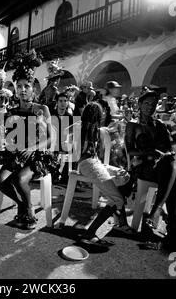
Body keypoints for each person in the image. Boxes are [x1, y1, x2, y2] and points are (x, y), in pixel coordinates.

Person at [0, 49, 59, 230]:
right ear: (15, 89)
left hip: (37, 155)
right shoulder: (12, 110)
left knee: (20, 179)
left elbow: (51, 139)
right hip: (18, 155)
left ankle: (28, 210)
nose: (22, 90)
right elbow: (5, 135)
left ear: (33, 89)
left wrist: (31, 148)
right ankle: (22, 204)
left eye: (26, 86)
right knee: (0, 180)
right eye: (19, 86)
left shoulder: (42, 108)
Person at [125, 90, 176, 240]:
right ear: (139, 104)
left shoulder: (160, 125)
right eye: (146, 103)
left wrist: (164, 154)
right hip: (144, 167)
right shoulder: (132, 125)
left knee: (171, 163)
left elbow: (169, 149)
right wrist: (149, 152)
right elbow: (130, 150)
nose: (150, 107)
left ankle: (160, 216)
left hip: (163, 166)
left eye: (153, 104)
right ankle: (170, 222)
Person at [77, 102, 132, 246]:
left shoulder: (98, 130)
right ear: (95, 115)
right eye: (100, 113)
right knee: (118, 199)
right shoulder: (83, 129)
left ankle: (120, 220)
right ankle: (89, 234)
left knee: (125, 176)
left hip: (96, 163)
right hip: (87, 164)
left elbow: (102, 153)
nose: (103, 115)